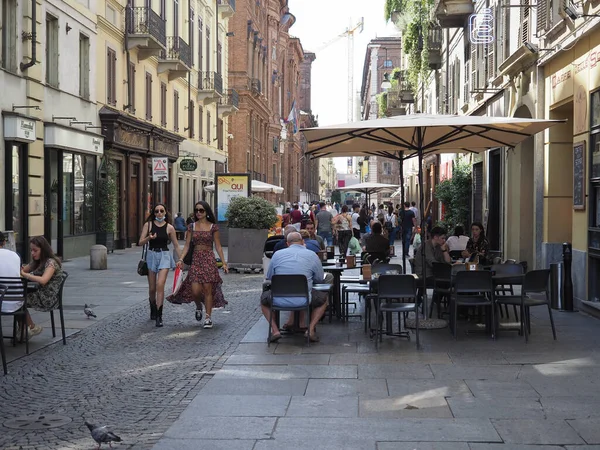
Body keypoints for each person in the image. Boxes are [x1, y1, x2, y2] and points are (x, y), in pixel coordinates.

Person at [261, 232, 331, 343]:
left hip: (278, 298)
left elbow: (269, 276)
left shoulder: (277, 255)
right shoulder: (312, 255)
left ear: (287, 243)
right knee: (323, 299)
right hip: (304, 298)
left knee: (263, 300)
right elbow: (319, 279)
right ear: (303, 241)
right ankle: (311, 329)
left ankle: (275, 330)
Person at [174, 201, 228, 329]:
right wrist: (181, 259)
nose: (198, 213)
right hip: (196, 259)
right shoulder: (191, 227)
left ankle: (208, 318)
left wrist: (224, 263)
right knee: (195, 291)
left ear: (206, 212)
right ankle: (198, 306)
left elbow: (218, 246)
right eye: (197, 210)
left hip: (209, 259)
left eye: (201, 210)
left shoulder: (213, 227)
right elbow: (187, 245)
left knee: (208, 289)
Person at [138, 203, 181, 327]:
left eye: (162, 211)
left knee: (160, 284)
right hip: (151, 256)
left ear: (165, 212)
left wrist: (181, 259)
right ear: (153, 213)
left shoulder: (170, 228)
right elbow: (140, 242)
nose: (159, 213)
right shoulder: (149, 225)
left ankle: (159, 315)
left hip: (164, 256)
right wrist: (149, 238)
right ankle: (152, 307)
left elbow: (176, 245)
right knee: (152, 289)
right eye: (156, 211)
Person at [19, 236, 64, 339]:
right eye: (31, 250)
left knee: (18, 301)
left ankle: (30, 327)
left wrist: (26, 275)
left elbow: (44, 280)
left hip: (48, 298)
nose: (32, 253)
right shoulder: (37, 262)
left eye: (35, 250)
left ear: (43, 250)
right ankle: (24, 329)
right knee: (17, 300)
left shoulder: (50, 262)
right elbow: (23, 270)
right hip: (39, 293)